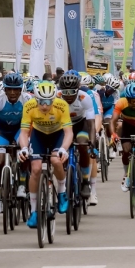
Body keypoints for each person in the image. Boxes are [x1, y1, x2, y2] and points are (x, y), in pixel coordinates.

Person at [17, 81, 73, 228]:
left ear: (53, 99)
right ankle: (34, 211)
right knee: (35, 169)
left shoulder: (62, 106)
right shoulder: (29, 106)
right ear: (36, 99)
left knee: (56, 161)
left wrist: (64, 148)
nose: (44, 106)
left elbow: (68, 132)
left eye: (48, 102)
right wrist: (23, 148)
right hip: (38, 135)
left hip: (57, 135)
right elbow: (23, 132)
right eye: (41, 101)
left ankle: (62, 192)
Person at [56, 73, 99, 206]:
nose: (68, 96)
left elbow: (91, 124)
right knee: (61, 149)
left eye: (72, 92)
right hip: (63, 124)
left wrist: (92, 142)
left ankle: (85, 180)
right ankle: (64, 177)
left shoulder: (84, 97)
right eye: (65, 92)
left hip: (81, 123)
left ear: (78, 90)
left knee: (82, 144)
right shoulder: (56, 97)